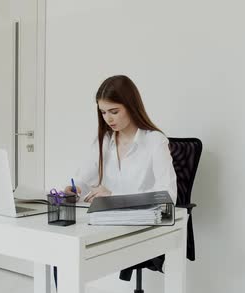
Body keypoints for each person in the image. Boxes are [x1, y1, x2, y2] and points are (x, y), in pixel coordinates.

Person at [64, 74, 177, 203]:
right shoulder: (105, 140)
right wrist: (75, 188)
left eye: (114, 112)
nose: (108, 119)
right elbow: (84, 178)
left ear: (131, 107)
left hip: (143, 220)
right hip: (107, 219)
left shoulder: (155, 141)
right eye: (103, 112)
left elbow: (168, 196)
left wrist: (113, 196)